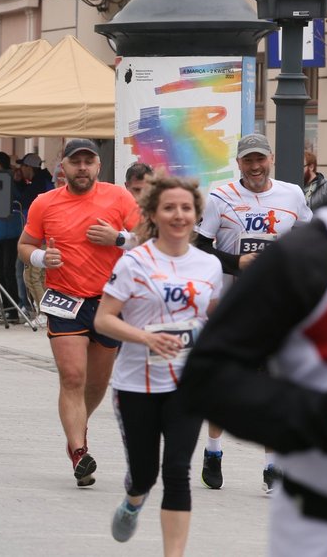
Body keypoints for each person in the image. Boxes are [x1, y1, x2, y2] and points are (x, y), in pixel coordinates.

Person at [180, 192, 327, 556]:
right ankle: (219, 452)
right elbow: (208, 375)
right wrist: (326, 416)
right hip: (325, 521)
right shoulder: (310, 253)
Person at [94, 175, 222, 555]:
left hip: (187, 384)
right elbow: (104, 319)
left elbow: (214, 314)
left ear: (197, 214)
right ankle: (133, 501)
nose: (178, 215)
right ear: (153, 213)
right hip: (137, 384)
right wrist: (146, 337)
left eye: (186, 208)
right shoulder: (135, 262)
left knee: (177, 471)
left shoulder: (208, 265)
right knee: (146, 475)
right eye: (169, 207)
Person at [194, 133, 312, 492]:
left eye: (260, 159)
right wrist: (237, 262)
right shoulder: (219, 196)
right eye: (248, 161)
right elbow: (199, 247)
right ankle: (213, 451)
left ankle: (272, 467)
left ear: (271, 159)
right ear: (239, 163)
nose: (255, 167)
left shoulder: (292, 194)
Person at [18, 138, 139, 487]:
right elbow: (26, 246)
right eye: (76, 162)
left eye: (89, 162)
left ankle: (78, 424)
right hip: (65, 300)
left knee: (97, 382)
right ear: (63, 166)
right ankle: (78, 451)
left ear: (98, 166)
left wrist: (117, 239)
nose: (82, 168)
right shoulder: (45, 203)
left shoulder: (119, 197)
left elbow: (148, 237)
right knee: (72, 377)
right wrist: (42, 258)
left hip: (110, 302)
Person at [16, 152, 55, 324]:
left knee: (34, 277)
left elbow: (22, 200)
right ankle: (43, 311)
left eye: (22, 167)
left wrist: (16, 183)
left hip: (42, 239)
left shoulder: (39, 185)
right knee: (31, 276)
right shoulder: (42, 182)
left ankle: (44, 313)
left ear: (28, 168)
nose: (20, 170)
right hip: (40, 238)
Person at [0, 151, 24, 322]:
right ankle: (5, 307)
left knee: (8, 270)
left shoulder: (9, 179)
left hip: (11, 231)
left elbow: (18, 199)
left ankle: (13, 310)